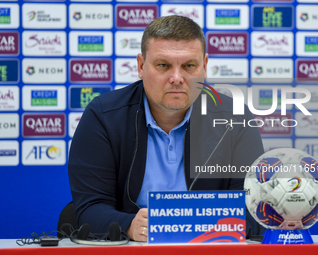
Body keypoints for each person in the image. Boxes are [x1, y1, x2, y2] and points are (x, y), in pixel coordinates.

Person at [68, 15, 264, 242]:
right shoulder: (103, 116)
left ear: (205, 66)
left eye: (189, 66)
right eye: (163, 65)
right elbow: (90, 209)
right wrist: (129, 225)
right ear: (141, 66)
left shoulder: (234, 117)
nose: (177, 78)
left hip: (209, 247)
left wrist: (185, 224)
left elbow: (252, 208)